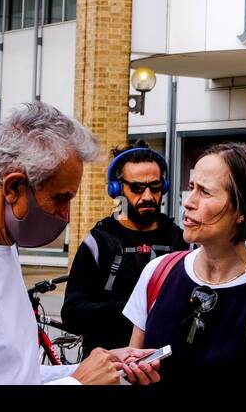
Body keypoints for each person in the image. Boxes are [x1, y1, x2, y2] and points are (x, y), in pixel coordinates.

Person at [0, 103, 159, 385]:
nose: (66, 215)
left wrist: (94, 370)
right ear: (14, 188)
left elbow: (13, 375)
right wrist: (79, 383)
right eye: (60, 198)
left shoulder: (0, 245)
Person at [125, 141, 246, 384]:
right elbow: (133, 365)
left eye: (204, 191)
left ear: (241, 210)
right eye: (191, 187)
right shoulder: (157, 273)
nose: (188, 201)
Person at [62, 145, 188, 357]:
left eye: (155, 186)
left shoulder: (180, 240)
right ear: (117, 189)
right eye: (137, 188)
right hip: (110, 368)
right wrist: (135, 308)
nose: (148, 196)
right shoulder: (98, 243)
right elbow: (72, 314)